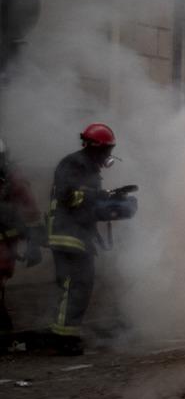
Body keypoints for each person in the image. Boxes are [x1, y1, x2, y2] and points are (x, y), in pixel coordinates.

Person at [44, 123, 120, 355]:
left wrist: (113, 203)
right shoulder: (75, 163)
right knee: (74, 286)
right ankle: (63, 339)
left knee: (80, 286)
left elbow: (86, 204)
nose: (108, 155)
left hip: (78, 234)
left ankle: (67, 334)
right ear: (95, 147)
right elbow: (69, 196)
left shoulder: (88, 167)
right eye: (107, 149)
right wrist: (101, 196)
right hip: (67, 234)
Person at [0, 137, 44, 347]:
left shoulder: (13, 179)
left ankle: (5, 336)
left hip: (4, 247)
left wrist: (34, 241)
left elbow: (31, 210)